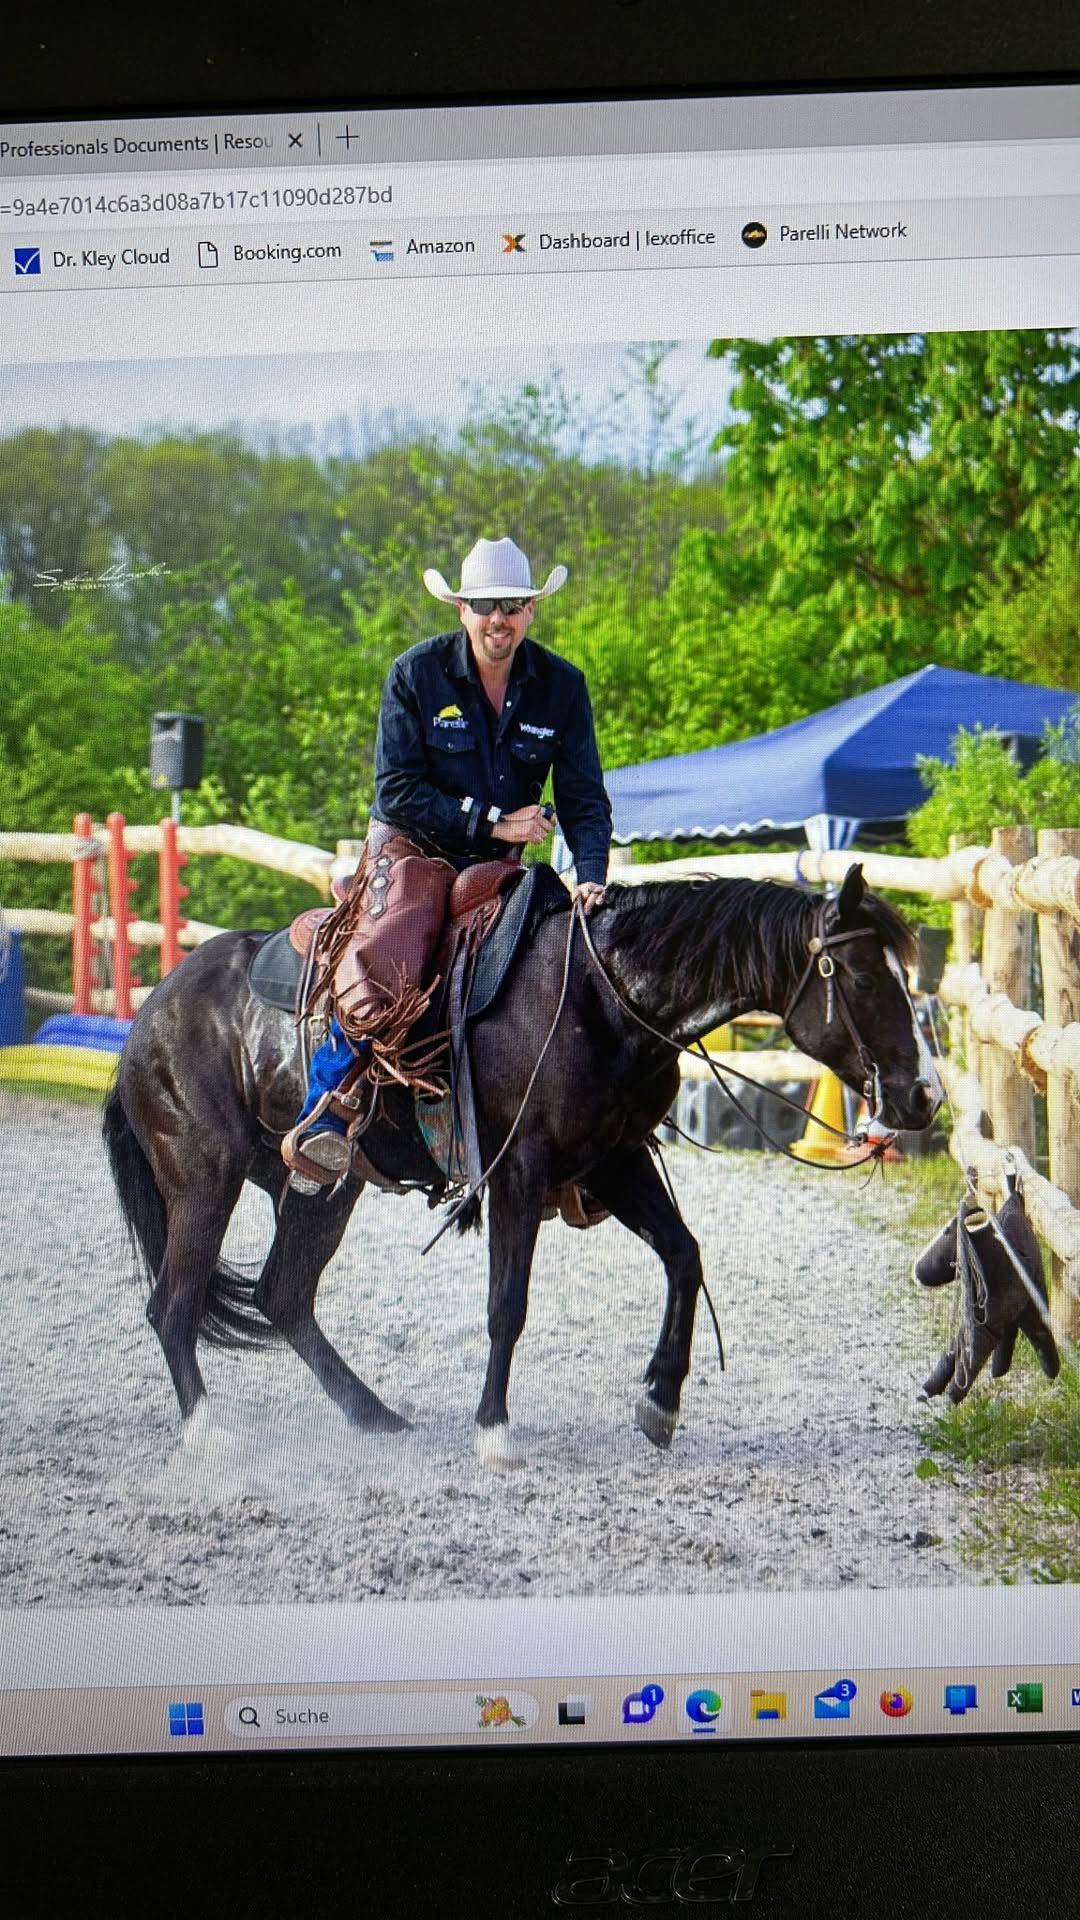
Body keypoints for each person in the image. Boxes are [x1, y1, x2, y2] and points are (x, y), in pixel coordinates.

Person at [281, 536, 613, 1192]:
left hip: (498, 865)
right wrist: (491, 820)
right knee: (389, 953)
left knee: (568, 961)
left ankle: (577, 1132)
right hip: (411, 848)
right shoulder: (416, 673)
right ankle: (328, 1109)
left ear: (532, 612)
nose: (501, 618)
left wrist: (593, 873)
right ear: (461, 608)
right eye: (488, 605)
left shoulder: (562, 687)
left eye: (514, 605)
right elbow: (395, 790)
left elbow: (583, 798)